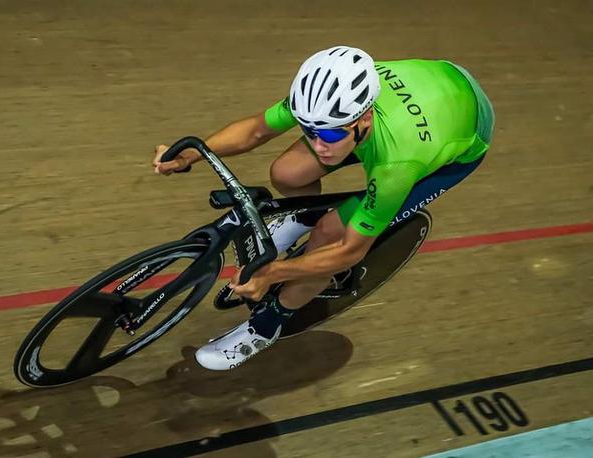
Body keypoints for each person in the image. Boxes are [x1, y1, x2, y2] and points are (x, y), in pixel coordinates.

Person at [152, 45, 495, 370]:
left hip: (456, 139)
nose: (320, 145)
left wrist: (272, 274)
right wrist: (192, 154)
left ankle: (268, 326)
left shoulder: (396, 165)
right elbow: (257, 130)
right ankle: (305, 216)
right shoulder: (327, 99)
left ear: (365, 118)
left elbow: (349, 252)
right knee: (286, 173)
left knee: (331, 235)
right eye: (309, 131)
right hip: (436, 85)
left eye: (329, 136)